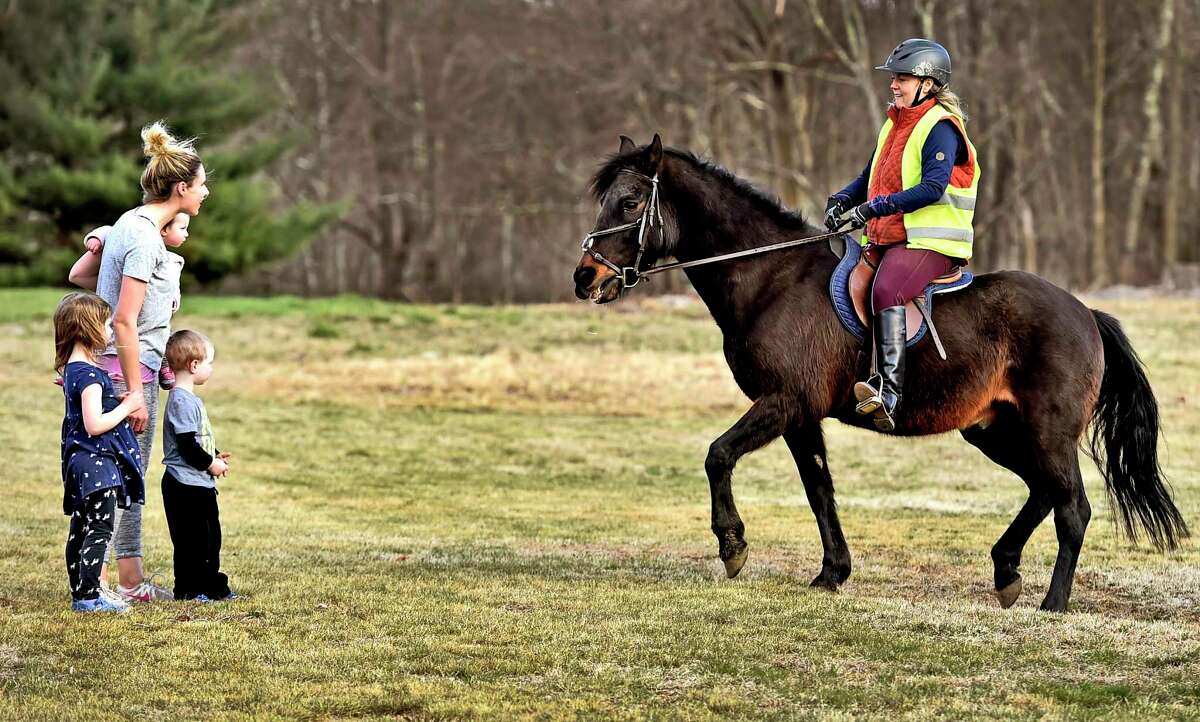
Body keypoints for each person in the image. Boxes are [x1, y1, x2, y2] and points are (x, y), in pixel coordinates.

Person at [824, 38, 980, 432]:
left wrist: (872, 208)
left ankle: (888, 393)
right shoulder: (895, 122)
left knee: (887, 289)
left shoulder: (940, 128)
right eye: (894, 77)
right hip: (890, 238)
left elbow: (932, 188)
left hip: (932, 244)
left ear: (928, 84)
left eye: (903, 78)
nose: (894, 85)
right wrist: (844, 199)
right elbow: (869, 177)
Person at [91, 121, 210, 602]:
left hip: (126, 372)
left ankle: (126, 581)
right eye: (201, 185)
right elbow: (123, 320)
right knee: (122, 479)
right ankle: (109, 584)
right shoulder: (142, 238)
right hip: (127, 376)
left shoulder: (131, 225)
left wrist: (96, 245)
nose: (204, 193)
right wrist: (136, 394)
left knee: (124, 478)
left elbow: (87, 278)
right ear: (181, 188)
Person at [54, 292, 146, 612]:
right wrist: (130, 406)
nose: (110, 329)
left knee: (81, 526)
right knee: (100, 527)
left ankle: (81, 590)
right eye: (106, 323)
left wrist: (115, 402)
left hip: (79, 461)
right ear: (88, 328)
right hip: (97, 462)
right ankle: (89, 597)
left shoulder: (73, 369)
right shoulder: (90, 375)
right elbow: (94, 425)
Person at [68, 211, 192, 391]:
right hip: (130, 347)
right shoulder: (135, 239)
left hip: (150, 336)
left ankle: (163, 365)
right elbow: (109, 231)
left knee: (164, 335)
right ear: (164, 229)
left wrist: (173, 297)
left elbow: (170, 286)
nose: (186, 233)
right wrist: (95, 239)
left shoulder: (171, 260)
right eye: (182, 228)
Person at [160, 330, 235, 601]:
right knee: (193, 542)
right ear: (193, 366)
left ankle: (210, 587)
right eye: (209, 363)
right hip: (184, 485)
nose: (210, 368)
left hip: (197, 483)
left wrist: (213, 455)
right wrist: (210, 464)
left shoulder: (188, 399)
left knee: (209, 539)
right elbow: (187, 447)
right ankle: (191, 590)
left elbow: (196, 441)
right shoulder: (181, 401)